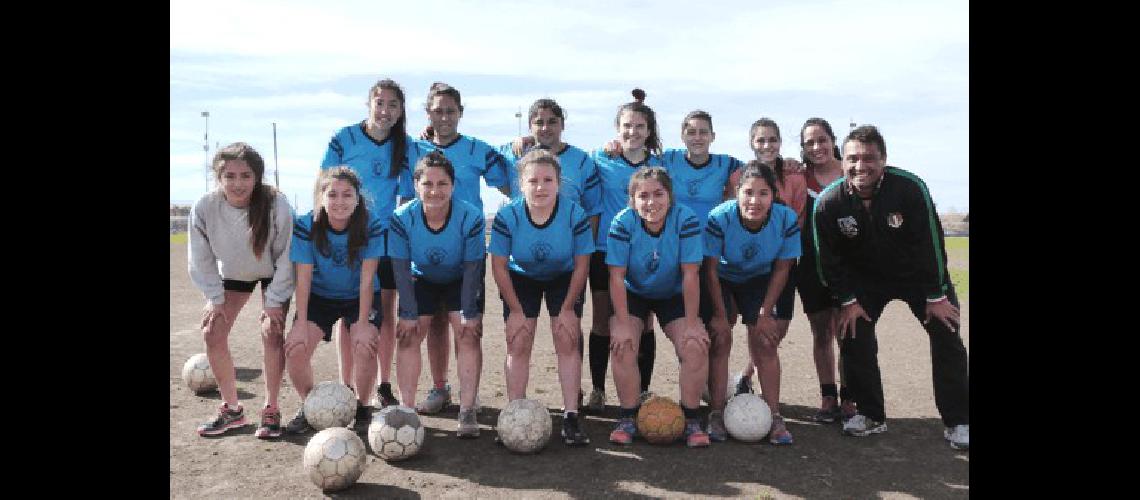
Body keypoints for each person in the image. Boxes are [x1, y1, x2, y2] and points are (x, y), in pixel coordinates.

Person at [813, 125, 969, 450]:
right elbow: (828, 260)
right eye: (853, 158)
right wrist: (847, 300)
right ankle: (871, 414)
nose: (861, 166)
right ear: (843, 162)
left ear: (884, 159)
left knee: (946, 332)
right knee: (853, 331)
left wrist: (936, 295)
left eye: (870, 158)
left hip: (915, 275)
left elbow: (931, 243)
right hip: (865, 279)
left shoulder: (909, 188)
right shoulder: (829, 204)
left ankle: (959, 421)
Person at [408, 82, 508, 415]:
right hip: (425, 253)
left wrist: (523, 143)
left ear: (461, 113)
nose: (445, 117)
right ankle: (440, 388)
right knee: (434, 324)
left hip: (468, 254)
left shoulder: (478, 149)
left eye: (451, 111)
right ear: (428, 113)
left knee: (466, 324)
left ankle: (470, 395)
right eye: (438, 110)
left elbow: (509, 180)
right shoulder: (412, 148)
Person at [319, 78, 415, 411]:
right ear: (369, 104)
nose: (385, 110)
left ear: (400, 111)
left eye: (393, 105)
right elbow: (324, 184)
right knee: (350, 314)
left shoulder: (405, 145)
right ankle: (346, 384)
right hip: (348, 237)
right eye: (380, 103)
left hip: (386, 239)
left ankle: (382, 384)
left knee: (385, 313)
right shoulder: (343, 138)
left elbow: (411, 189)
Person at [190, 142, 296, 438]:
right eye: (230, 176)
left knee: (271, 332)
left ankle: (271, 409)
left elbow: (288, 254)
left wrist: (274, 301)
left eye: (246, 176)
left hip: (273, 272)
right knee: (212, 332)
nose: (238, 183)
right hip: (234, 273)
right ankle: (232, 410)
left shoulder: (277, 204)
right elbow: (200, 257)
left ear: (257, 177)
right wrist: (214, 297)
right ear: (218, 178)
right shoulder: (205, 207)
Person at [489, 149, 594, 445]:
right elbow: (498, 265)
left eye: (548, 179)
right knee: (518, 339)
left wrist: (567, 309)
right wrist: (515, 310)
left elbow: (582, 262)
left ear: (559, 183)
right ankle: (514, 412)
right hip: (521, 277)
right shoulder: (508, 214)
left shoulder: (574, 213)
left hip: (565, 276)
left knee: (567, 337)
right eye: (533, 180)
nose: (540, 186)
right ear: (520, 184)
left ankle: (571, 416)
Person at [605, 166, 710, 448]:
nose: (651, 202)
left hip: (673, 292)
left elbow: (691, 274)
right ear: (633, 200)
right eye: (643, 196)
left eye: (658, 194)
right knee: (623, 343)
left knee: (694, 345)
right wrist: (623, 323)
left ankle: (690, 418)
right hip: (634, 292)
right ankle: (628, 415)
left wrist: (691, 323)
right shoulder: (622, 222)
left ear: (670, 196)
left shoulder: (685, 219)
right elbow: (616, 276)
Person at [388, 151, 487, 438]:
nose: (435, 191)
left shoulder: (470, 216)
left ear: (453, 186)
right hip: (423, 279)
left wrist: (469, 311)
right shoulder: (402, 217)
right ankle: (407, 410)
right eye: (427, 184)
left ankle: (467, 409)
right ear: (415, 185)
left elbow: (473, 267)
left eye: (442, 184)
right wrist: (407, 313)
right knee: (408, 334)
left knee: (468, 332)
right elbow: (401, 268)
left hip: (460, 278)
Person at [702, 161, 800, 444]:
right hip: (723, 277)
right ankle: (717, 412)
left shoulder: (785, 219)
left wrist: (764, 313)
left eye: (763, 193)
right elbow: (709, 269)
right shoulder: (720, 217)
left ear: (773, 195)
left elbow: (783, 268)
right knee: (720, 339)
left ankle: (774, 415)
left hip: (761, 279)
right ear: (737, 192)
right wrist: (720, 315)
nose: (755, 201)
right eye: (748, 192)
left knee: (765, 340)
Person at [283, 167, 386, 435]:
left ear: (357, 198)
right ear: (321, 197)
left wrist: (363, 323)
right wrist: (301, 323)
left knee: (364, 344)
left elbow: (367, 279)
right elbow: (303, 279)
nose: (339, 201)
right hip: (320, 296)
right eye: (332, 194)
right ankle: (310, 406)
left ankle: (363, 408)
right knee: (295, 348)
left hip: (358, 296)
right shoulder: (307, 225)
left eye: (347, 195)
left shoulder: (371, 224)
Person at [583, 89, 665, 413]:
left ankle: (643, 390)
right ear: (617, 129)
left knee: (643, 322)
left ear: (649, 131)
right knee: (602, 320)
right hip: (605, 250)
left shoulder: (660, 164)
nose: (632, 133)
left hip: (645, 254)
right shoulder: (600, 158)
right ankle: (598, 390)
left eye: (640, 127)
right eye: (627, 127)